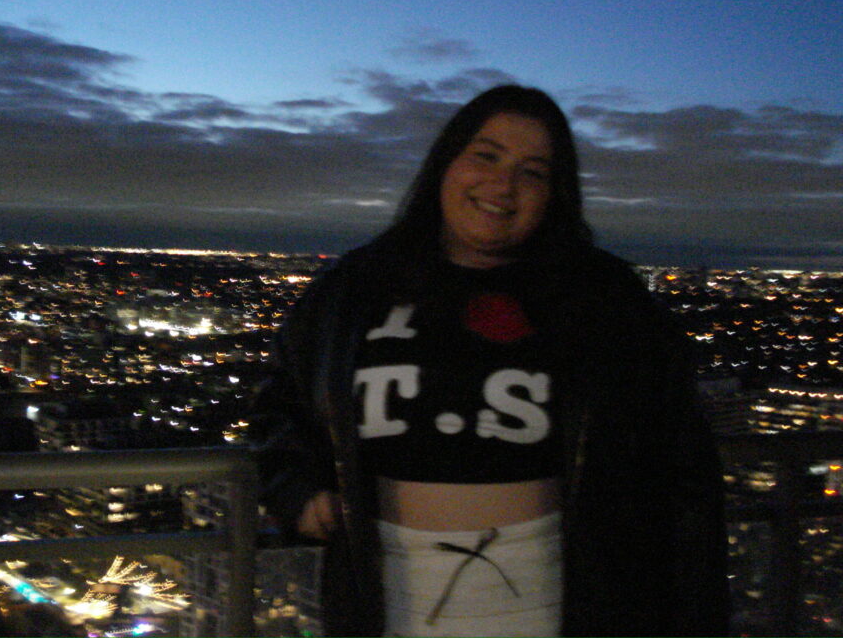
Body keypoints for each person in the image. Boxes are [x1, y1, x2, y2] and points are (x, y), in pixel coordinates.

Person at [252, 85, 729, 636]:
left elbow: (681, 473)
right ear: (445, 164)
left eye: (533, 172)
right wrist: (295, 490)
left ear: (555, 194)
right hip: (385, 603)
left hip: (568, 605)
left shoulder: (605, 301)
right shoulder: (353, 289)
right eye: (486, 155)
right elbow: (281, 400)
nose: (503, 186)